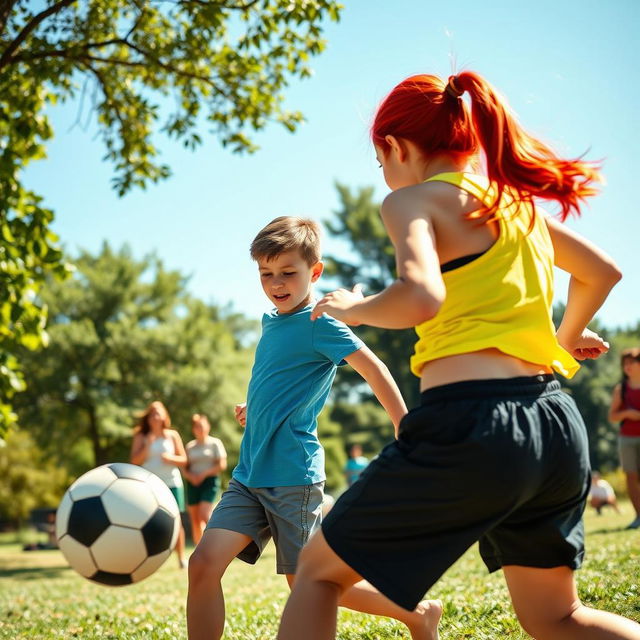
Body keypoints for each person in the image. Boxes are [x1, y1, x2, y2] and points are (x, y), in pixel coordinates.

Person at [277, 71, 640, 640]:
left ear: (394, 147)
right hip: (555, 424)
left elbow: (421, 296)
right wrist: (562, 339)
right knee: (556, 618)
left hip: (474, 424)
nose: (386, 176)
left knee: (315, 575)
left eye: (381, 163)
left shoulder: (410, 201)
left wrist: (355, 306)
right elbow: (602, 273)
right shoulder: (514, 208)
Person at [187, 216, 442, 640]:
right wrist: (258, 408)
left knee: (307, 584)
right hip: (249, 474)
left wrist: (403, 424)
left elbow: (374, 369)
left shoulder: (320, 323)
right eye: (266, 274)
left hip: (292, 477)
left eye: (288, 272)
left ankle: (416, 613)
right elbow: (283, 379)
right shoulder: (271, 322)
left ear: (315, 271)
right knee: (203, 564)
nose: (276, 282)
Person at [130, 400, 188, 568]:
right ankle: (150, 559)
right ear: (148, 418)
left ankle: (181, 558)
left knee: (176, 521)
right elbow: (134, 461)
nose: (155, 416)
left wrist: (171, 459)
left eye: (158, 413)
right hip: (149, 485)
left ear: (164, 416)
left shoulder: (172, 436)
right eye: (152, 413)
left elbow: (184, 460)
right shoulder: (141, 436)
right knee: (148, 522)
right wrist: (147, 446)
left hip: (172, 483)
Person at [607, 347, 640, 529]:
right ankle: (638, 516)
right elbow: (612, 417)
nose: (627, 366)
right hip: (627, 438)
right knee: (631, 477)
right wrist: (628, 412)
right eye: (624, 364)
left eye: (631, 362)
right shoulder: (621, 389)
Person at [184, 413, 227, 545]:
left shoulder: (215, 443)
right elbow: (184, 467)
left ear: (207, 427)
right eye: (197, 427)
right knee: (195, 519)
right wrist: (191, 477)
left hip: (209, 482)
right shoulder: (190, 446)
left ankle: (217, 543)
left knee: (204, 514)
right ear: (193, 429)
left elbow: (222, 464)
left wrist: (203, 474)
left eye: (202, 426)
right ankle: (200, 549)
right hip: (192, 483)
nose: (200, 429)